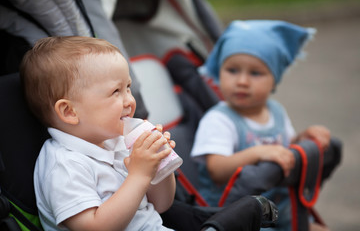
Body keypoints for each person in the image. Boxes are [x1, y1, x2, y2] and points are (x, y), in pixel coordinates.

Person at [20, 36, 176, 231]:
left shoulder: (118, 141)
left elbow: (162, 205)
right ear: (70, 112)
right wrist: (139, 175)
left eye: (127, 87)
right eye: (115, 91)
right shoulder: (65, 165)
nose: (129, 100)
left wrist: (158, 164)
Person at [190, 20, 331, 231]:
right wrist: (257, 153)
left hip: (277, 204)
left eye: (255, 73)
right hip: (235, 215)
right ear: (219, 72)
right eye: (232, 70)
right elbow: (216, 169)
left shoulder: (276, 112)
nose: (242, 81)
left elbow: (285, 150)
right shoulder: (218, 119)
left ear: (275, 80)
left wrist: (304, 138)